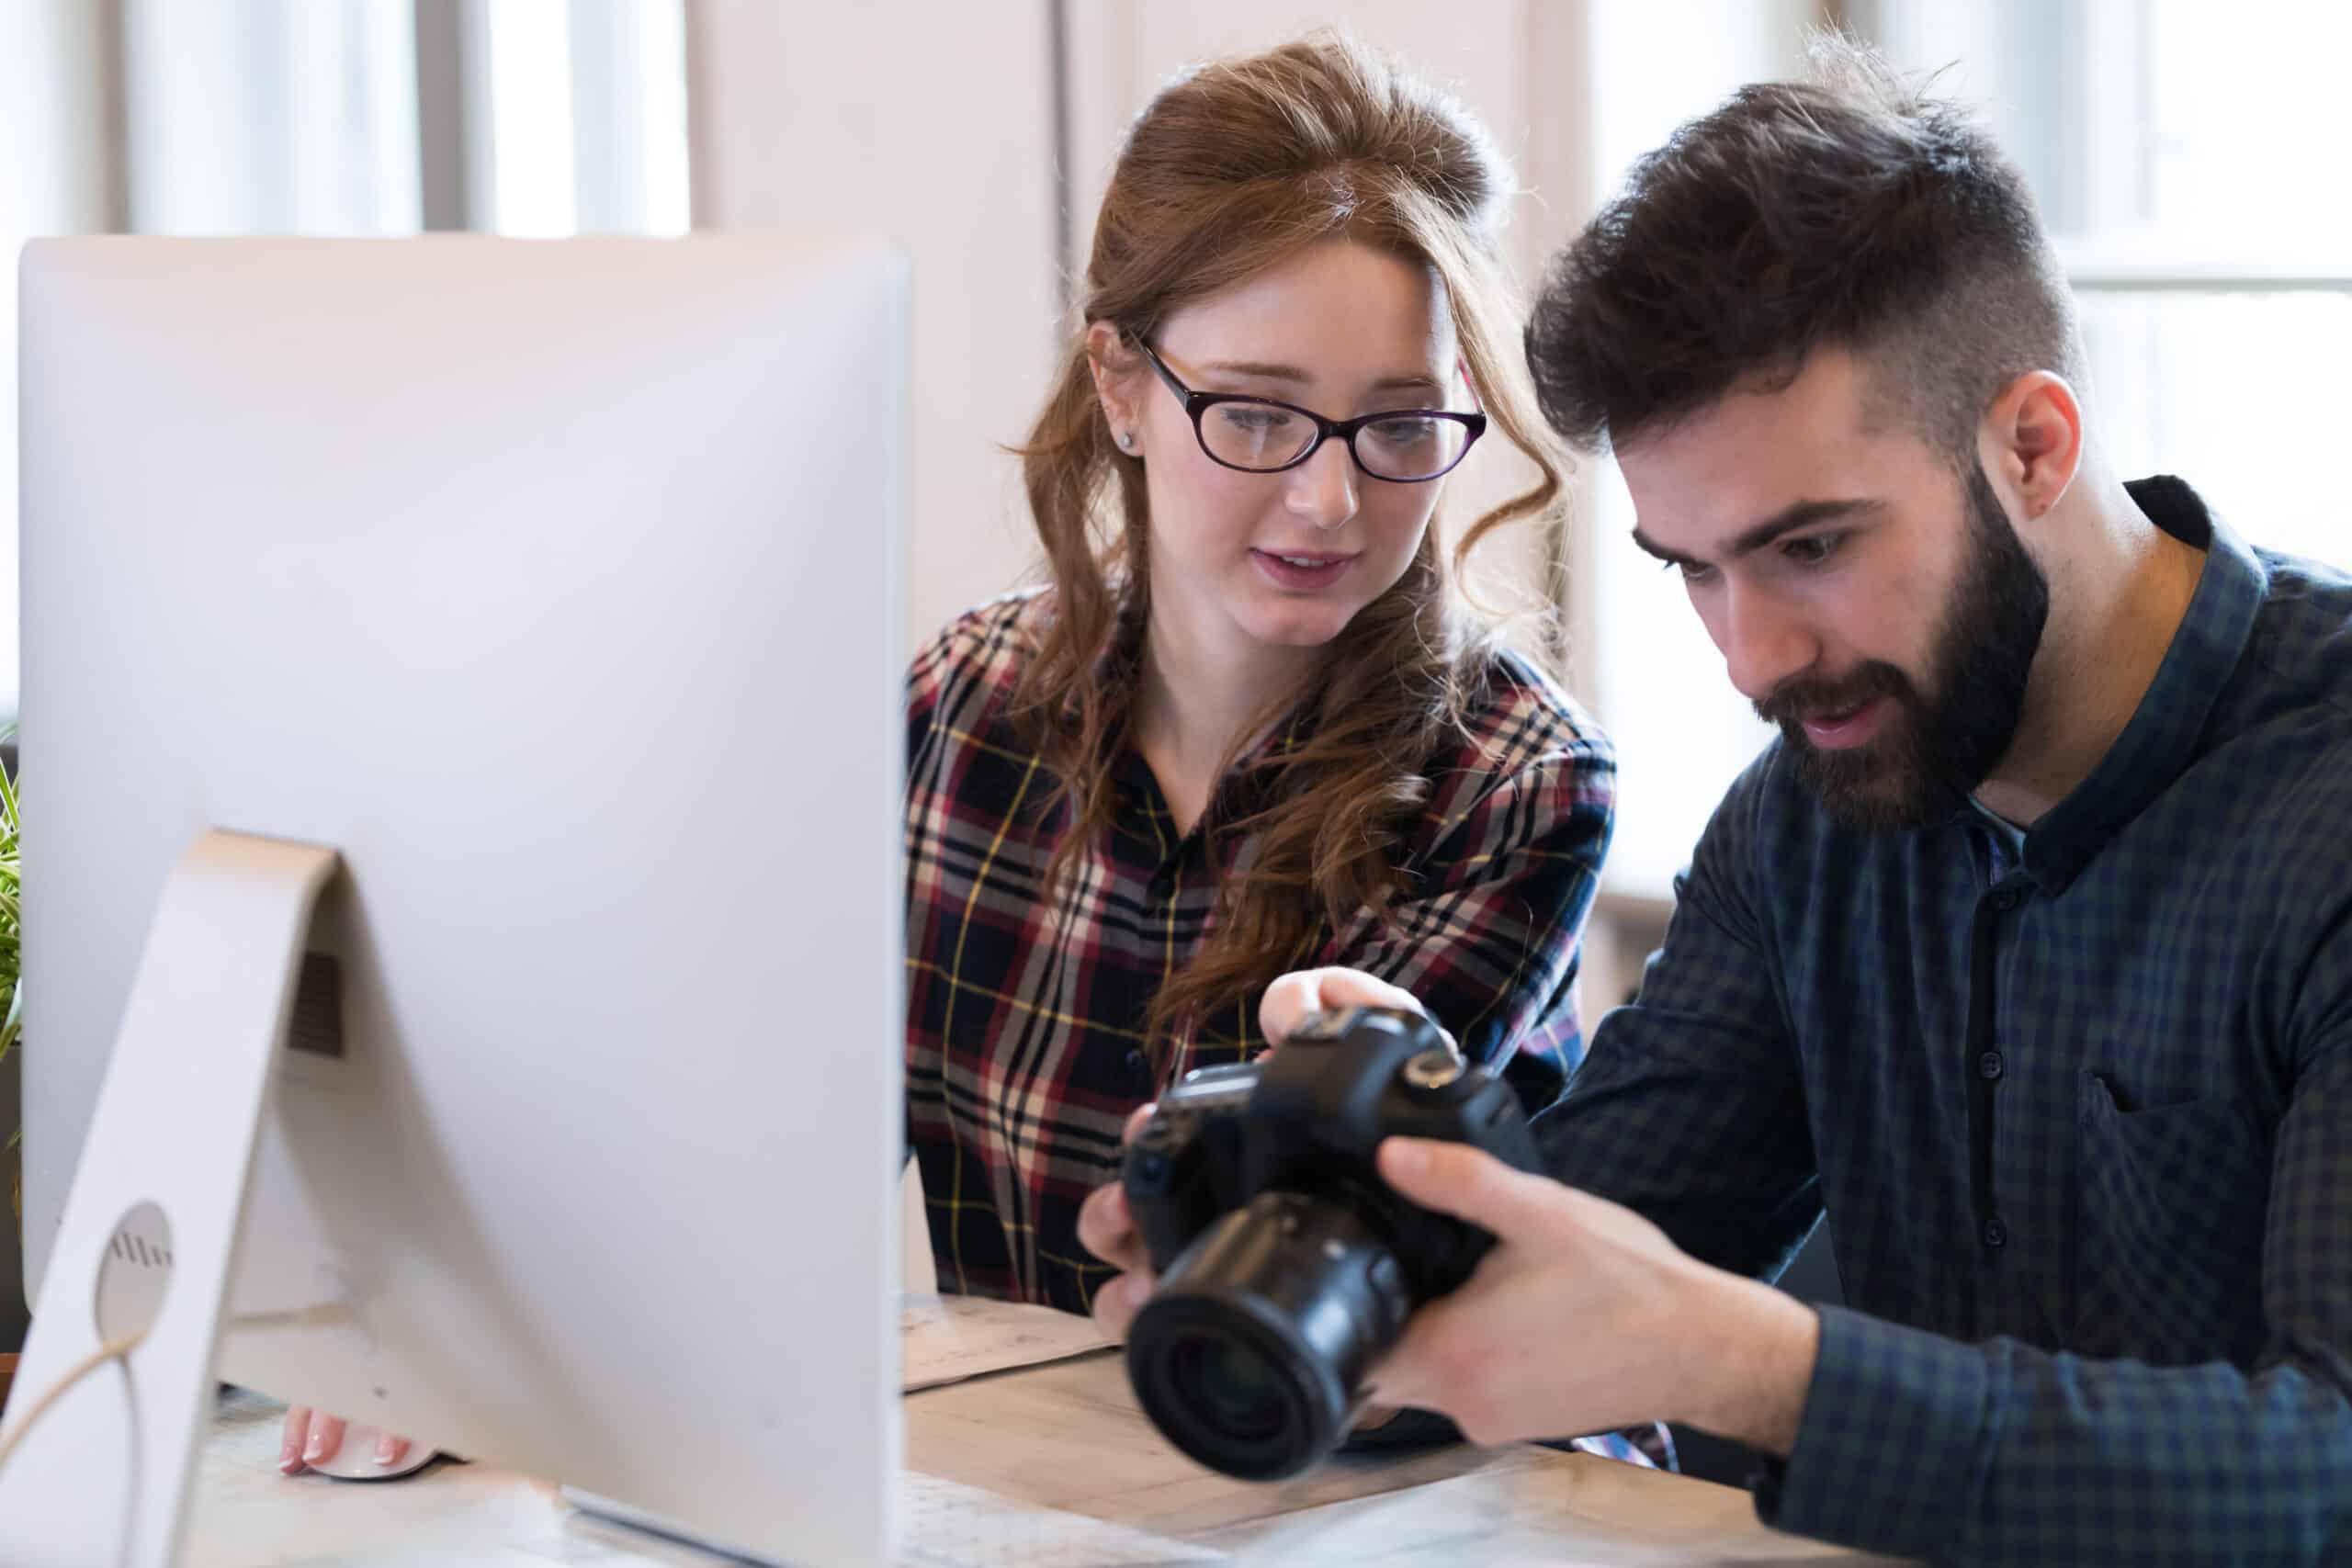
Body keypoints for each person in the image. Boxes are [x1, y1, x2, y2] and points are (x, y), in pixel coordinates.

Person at [281, 29, 1634, 1477]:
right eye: (1254, 412)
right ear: (1121, 384)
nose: (1327, 498)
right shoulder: (962, 707)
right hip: (1075, 1482)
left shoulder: (1518, 777)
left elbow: (1315, 1285)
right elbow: (761, 1175)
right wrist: (479, 1344)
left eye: (1398, 427)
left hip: (1404, 1494)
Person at [1082, 38, 2352, 1564]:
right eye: (1693, 565)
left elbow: (2324, 1469)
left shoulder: (2322, 805)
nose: (1753, 656)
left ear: (2033, 444)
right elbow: (1580, 1259)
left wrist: (1752, 1367)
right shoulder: (1811, 814)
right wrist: (1362, 1219)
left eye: (1811, 545)